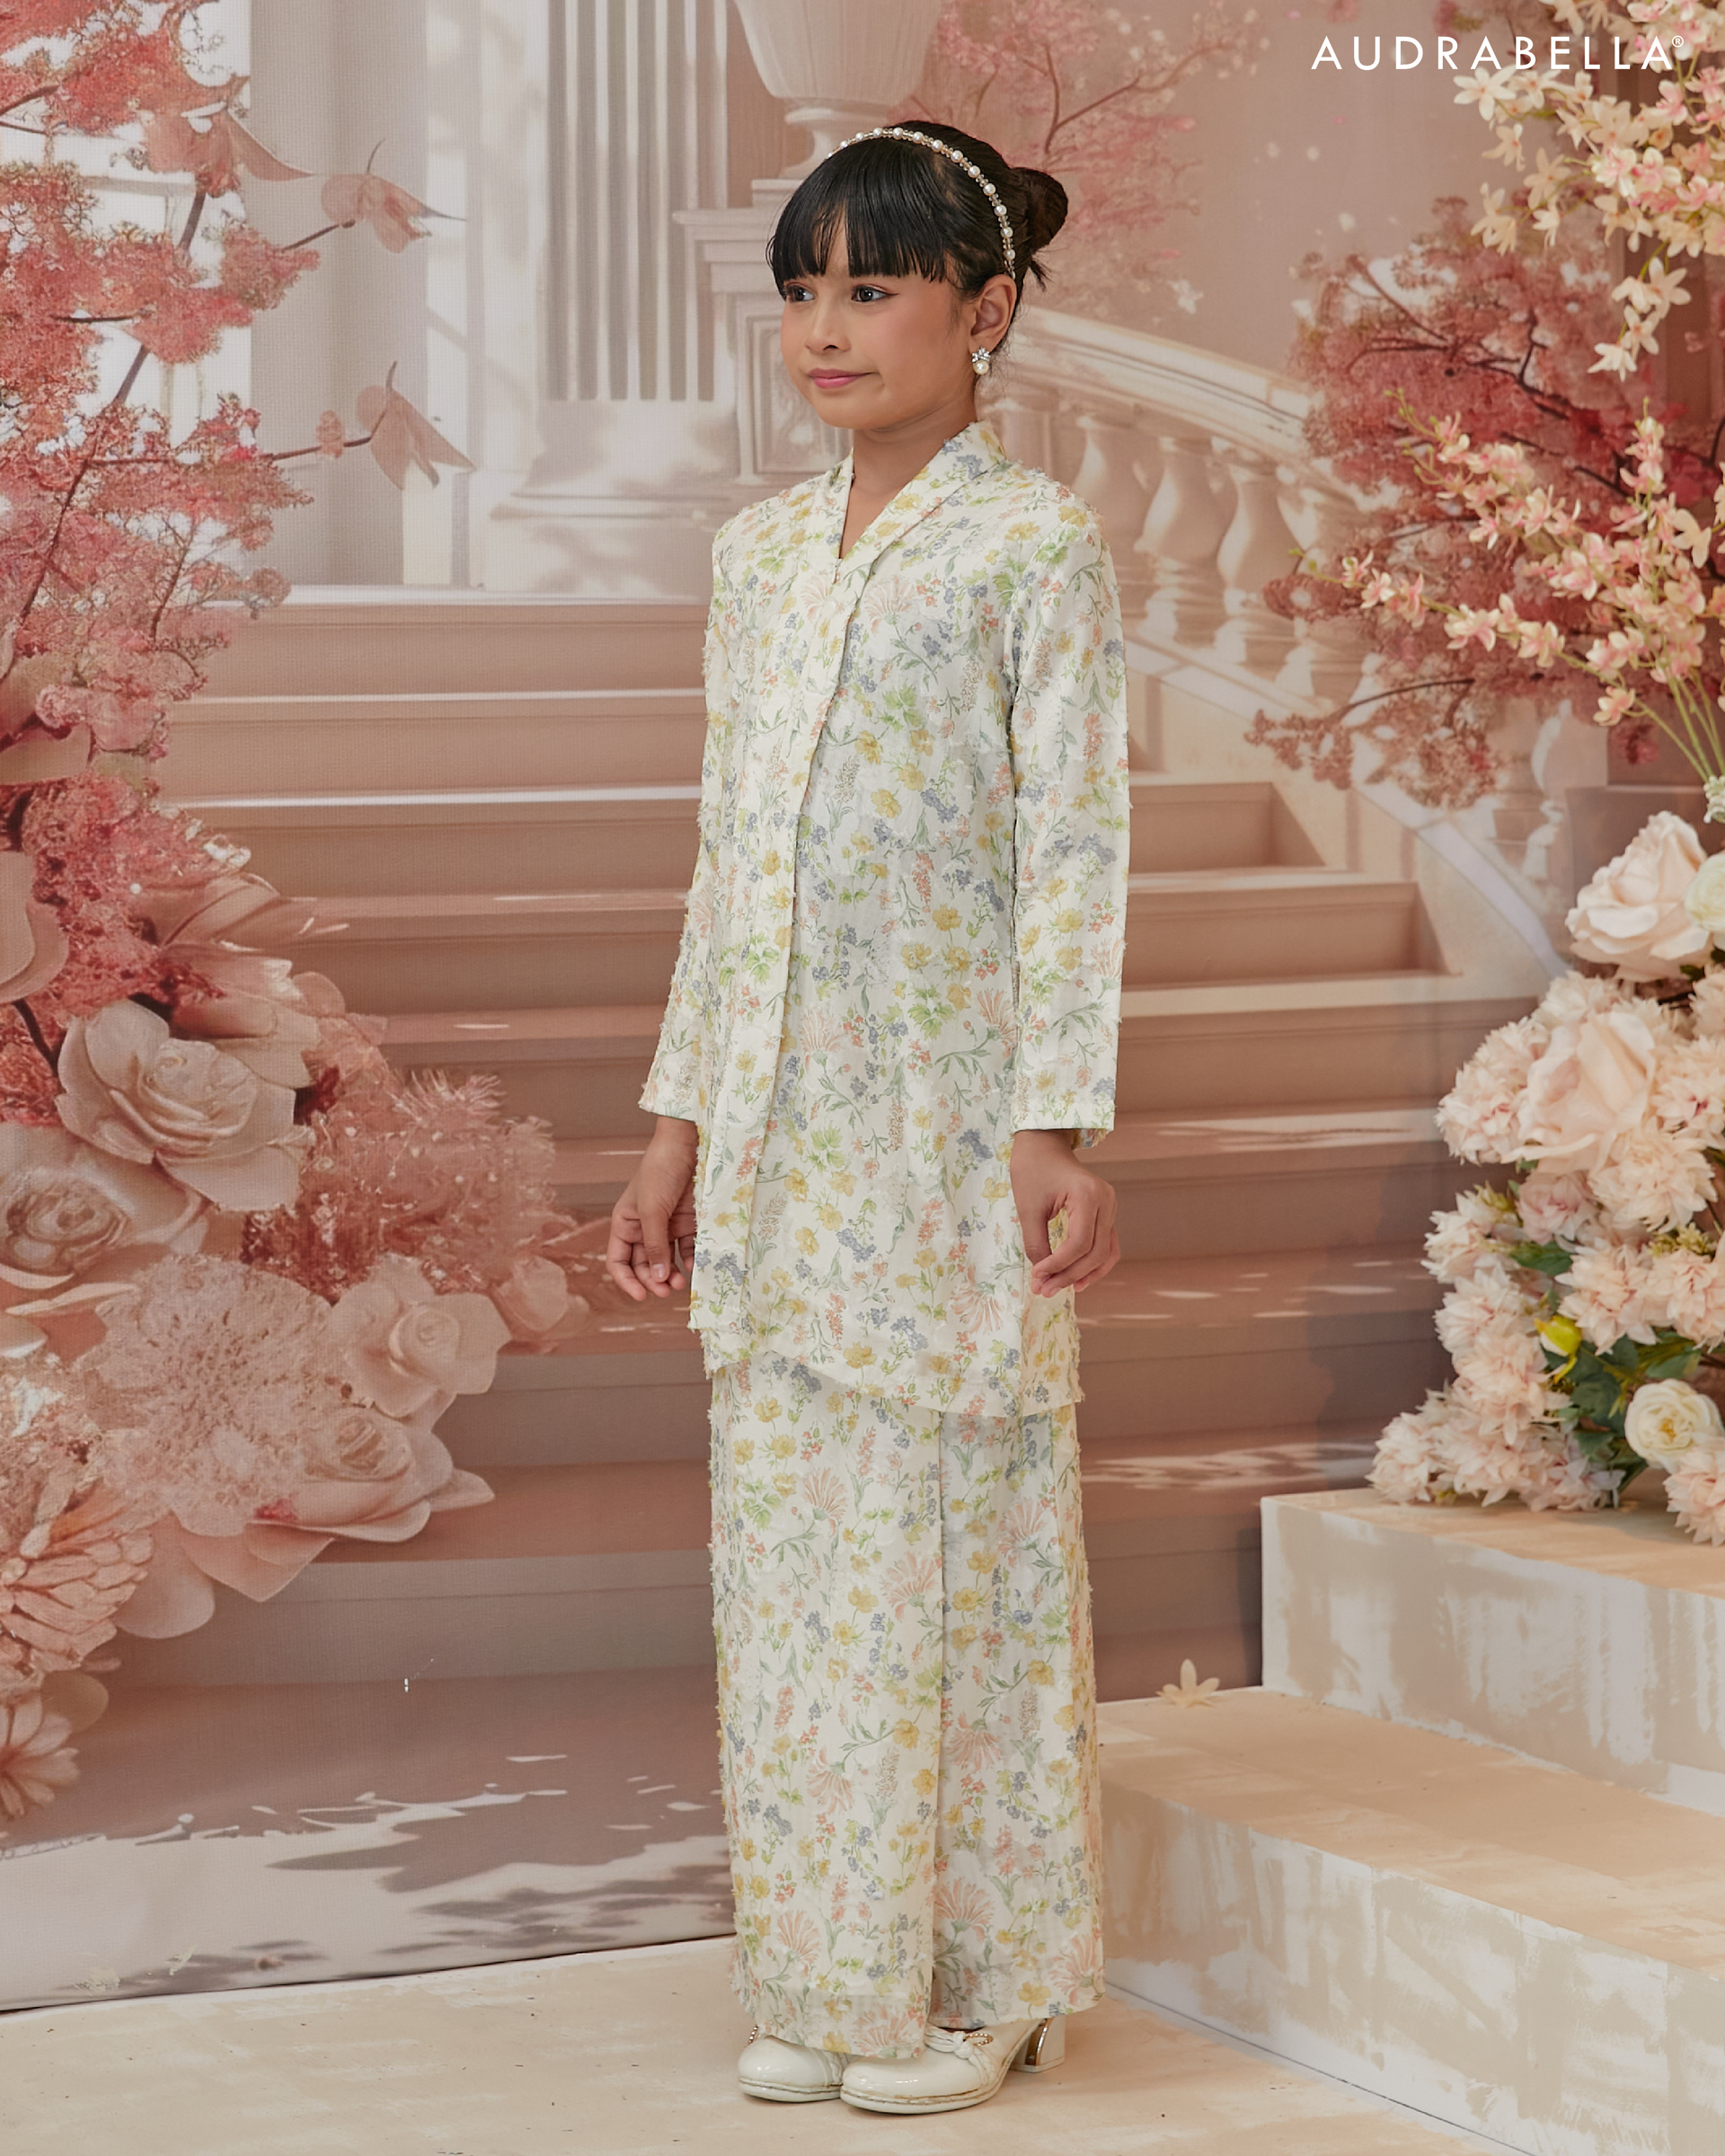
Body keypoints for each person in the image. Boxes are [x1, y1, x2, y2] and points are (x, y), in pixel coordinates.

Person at [606, 119, 1128, 2118]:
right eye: (802, 290)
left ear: (983, 314)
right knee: (798, 1568)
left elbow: (1075, 849)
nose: (826, 328)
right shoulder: (756, 557)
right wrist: (675, 1124)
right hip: (774, 1136)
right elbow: (725, 861)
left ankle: (991, 1977)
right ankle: (832, 1976)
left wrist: (1054, 1120)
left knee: (959, 1551)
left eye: (874, 288)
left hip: (948, 1128)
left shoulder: (1032, 546)